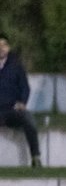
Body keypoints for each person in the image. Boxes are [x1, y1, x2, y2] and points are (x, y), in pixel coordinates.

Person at [0, 33, 41, 167]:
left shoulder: (16, 65)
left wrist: (22, 103)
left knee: (27, 118)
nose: (1, 48)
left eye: (4, 45)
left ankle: (35, 157)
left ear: (9, 47)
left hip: (12, 110)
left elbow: (25, 87)